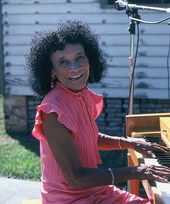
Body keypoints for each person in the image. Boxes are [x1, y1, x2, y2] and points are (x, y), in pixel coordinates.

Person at [26, 20, 170, 204]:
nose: (75, 67)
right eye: (63, 62)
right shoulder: (53, 111)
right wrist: (136, 172)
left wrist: (130, 143)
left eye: (80, 57)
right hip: (70, 199)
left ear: (90, 58)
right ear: (51, 71)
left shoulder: (80, 93)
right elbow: (77, 178)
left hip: (97, 191)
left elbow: (88, 137)